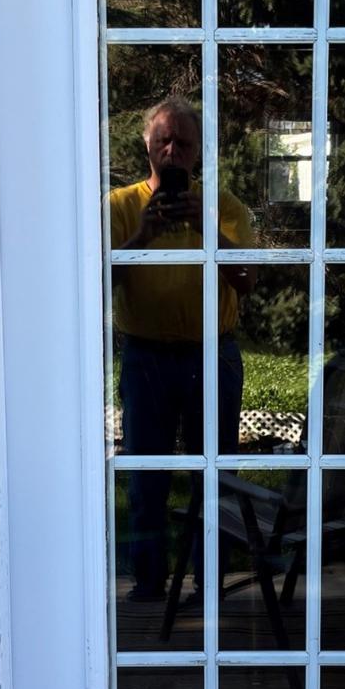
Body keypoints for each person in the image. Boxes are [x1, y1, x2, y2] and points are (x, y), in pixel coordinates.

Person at [109, 96, 256, 601]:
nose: (172, 151)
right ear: (147, 145)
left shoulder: (223, 205)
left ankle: (208, 585)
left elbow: (246, 279)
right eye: (163, 141)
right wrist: (143, 234)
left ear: (198, 153)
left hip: (212, 354)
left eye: (183, 144)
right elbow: (97, 283)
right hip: (146, 354)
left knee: (214, 475)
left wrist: (206, 230)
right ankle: (148, 586)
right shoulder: (119, 206)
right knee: (145, 473)